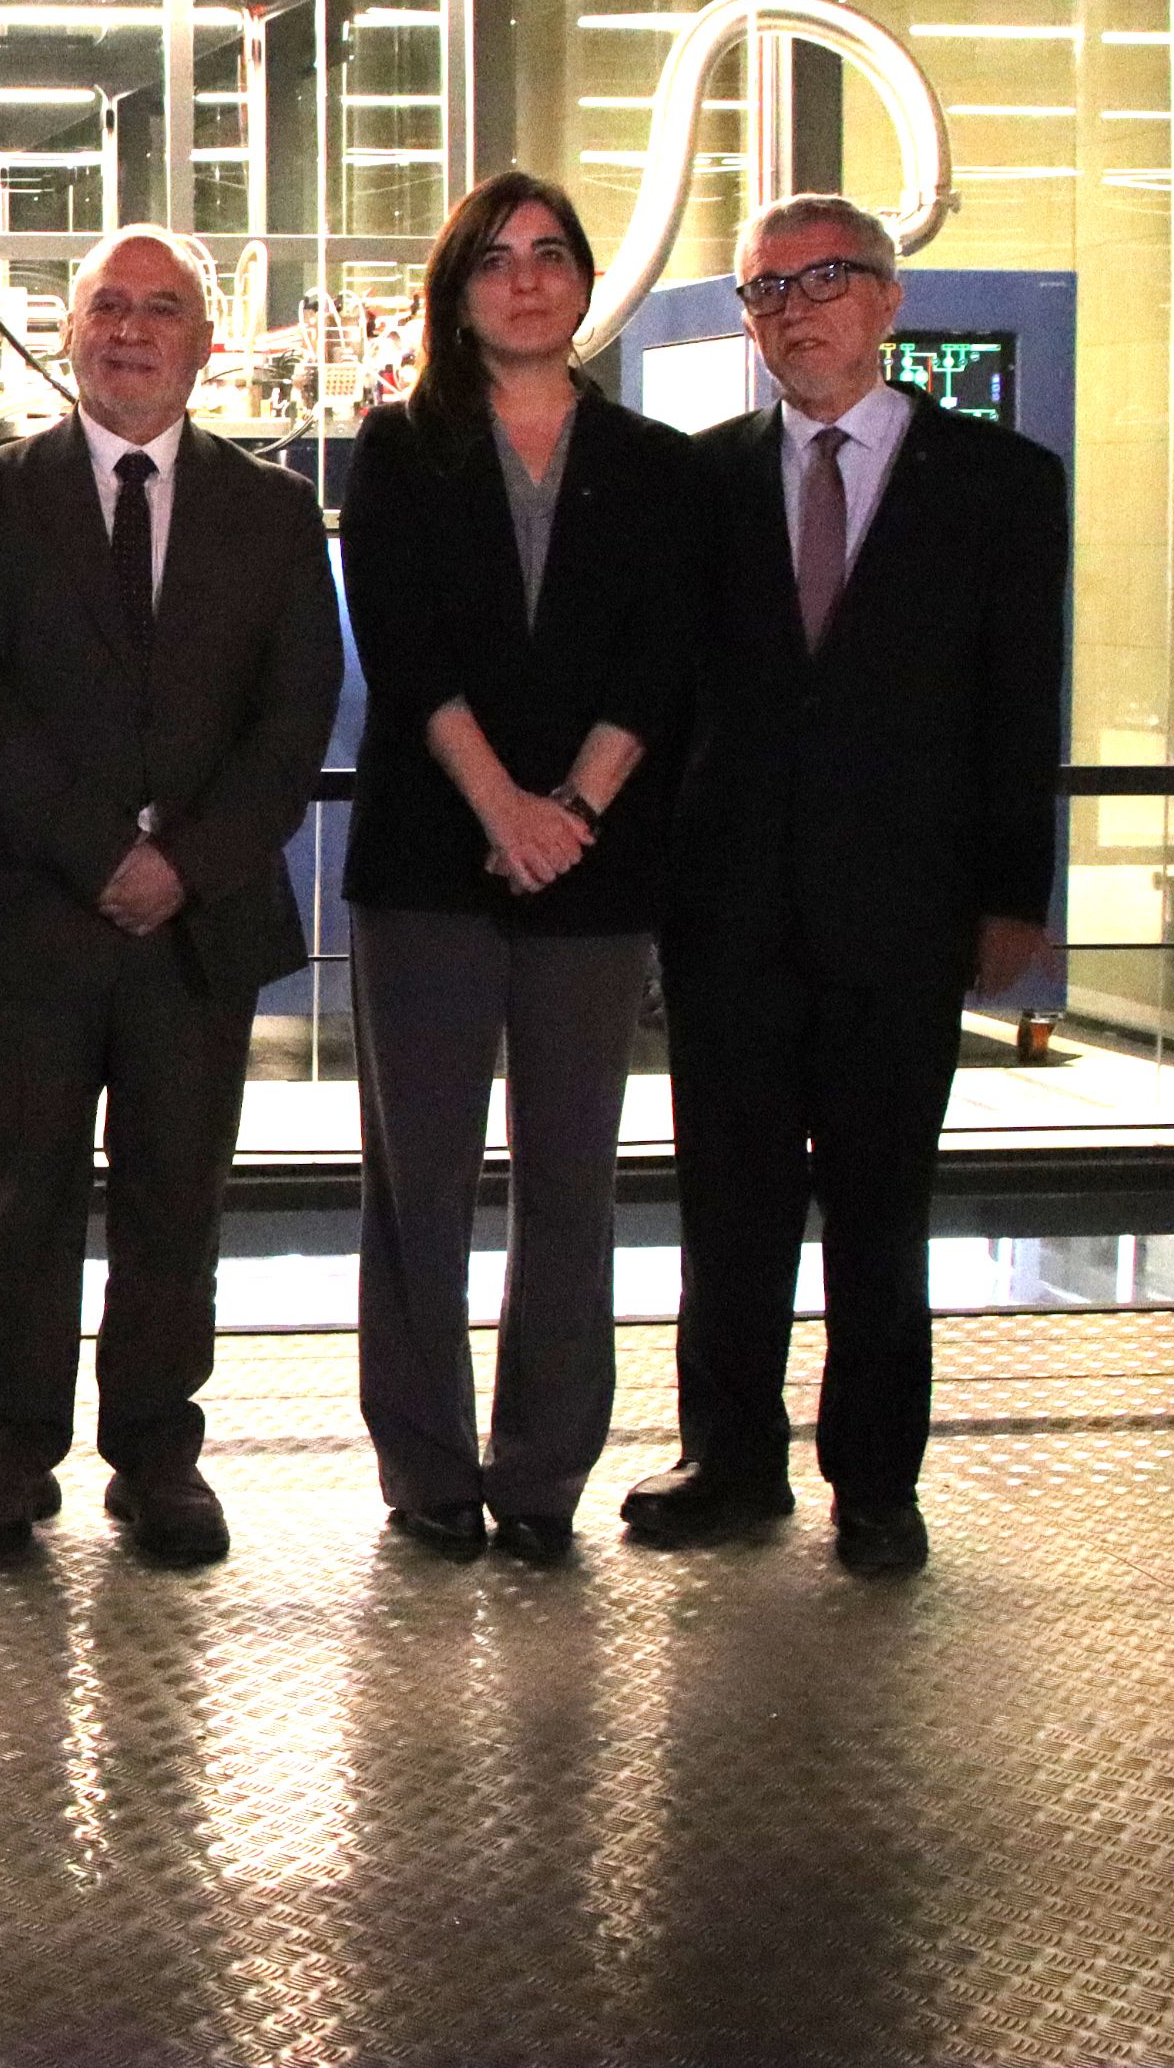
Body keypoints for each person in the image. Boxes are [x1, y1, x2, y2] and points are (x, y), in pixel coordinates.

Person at [622, 192, 1067, 1578]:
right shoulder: (700, 482)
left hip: (905, 911)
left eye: (822, 281)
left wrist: (1013, 896)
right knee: (731, 1203)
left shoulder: (1000, 483)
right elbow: (663, 700)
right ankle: (730, 1460)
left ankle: (876, 1480)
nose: (793, 309)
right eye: (766, 291)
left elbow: (1018, 703)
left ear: (888, 302)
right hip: (730, 912)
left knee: (882, 1208)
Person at [0, 225, 340, 1567]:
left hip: (197, 929)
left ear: (205, 345)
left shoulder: (272, 513)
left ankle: (159, 1457)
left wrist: (186, 862)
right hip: (37, 916)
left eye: (163, 310)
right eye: (110, 307)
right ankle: (8, 1454)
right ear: (74, 333)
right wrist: (106, 850)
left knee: (176, 1196)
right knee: (20, 1195)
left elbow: (294, 718)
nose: (134, 331)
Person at [335, 173, 695, 1565]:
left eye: (552, 257)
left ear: (584, 281)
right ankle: (427, 1464)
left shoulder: (654, 466)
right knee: (415, 1177)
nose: (527, 281)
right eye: (497, 260)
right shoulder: (398, 451)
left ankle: (543, 1469)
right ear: (458, 287)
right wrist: (503, 805)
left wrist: (574, 815)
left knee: (571, 1175)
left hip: (593, 874)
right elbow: (407, 650)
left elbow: (663, 657)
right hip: (433, 859)